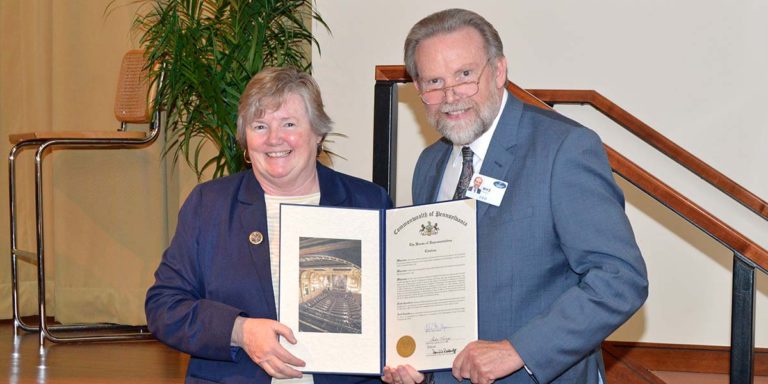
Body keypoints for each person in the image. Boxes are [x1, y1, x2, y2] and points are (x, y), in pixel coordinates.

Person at [382, 8, 648, 384]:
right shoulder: (431, 163)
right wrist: (418, 365)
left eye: (465, 75)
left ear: (499, 71)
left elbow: (619, 279)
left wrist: (518, 351)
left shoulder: (564, 148)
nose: (450, 96)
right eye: (433, 82)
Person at [146, 67, 391, 384]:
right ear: (245, 141)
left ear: (318, 133)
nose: (274, 139)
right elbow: (165, 307)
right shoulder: (210, 205)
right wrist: (240, 331)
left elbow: (396, 309)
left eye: (289, 124)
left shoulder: (367, 202)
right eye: (260, 126)